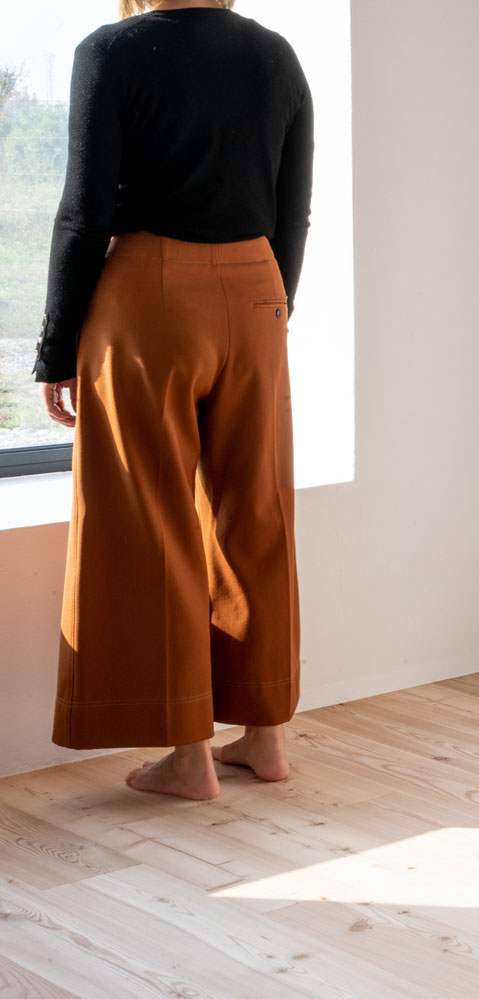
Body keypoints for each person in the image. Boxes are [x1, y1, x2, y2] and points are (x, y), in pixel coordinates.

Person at [32, 0, 314, 800]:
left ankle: (190, 756)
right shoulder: (276, 55)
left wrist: (56, 348)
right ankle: (266, 737)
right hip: (258, 290)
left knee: (147, 515)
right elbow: (292, 208)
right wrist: (272, 311)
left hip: (150, 294)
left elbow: (84, 212)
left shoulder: (115, 50)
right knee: (257, 509)